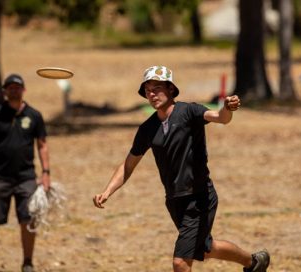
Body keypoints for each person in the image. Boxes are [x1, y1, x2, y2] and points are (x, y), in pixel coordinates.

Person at [93, 66, 270, 272]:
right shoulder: (147, 128)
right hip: (174, 199)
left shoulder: (189, 111)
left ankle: (253, 263)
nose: (152, 94)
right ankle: (254, 262)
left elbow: (220, 118)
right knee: (205, 249)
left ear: (170, 89)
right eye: (148, 89)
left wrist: (227, 108)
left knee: (180, 262)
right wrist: (107, 191)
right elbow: (128, 164)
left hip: (199, 197)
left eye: (157, 88)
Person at [0, 74, 52, 272]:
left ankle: (27, 262)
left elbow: (42, 146)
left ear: (24, 90)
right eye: (10, 87)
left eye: (17, 87)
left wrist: (46, 172)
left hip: (26, 177)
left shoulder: (34, 115)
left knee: (28, 220)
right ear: (4, 91)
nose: (14, 90)